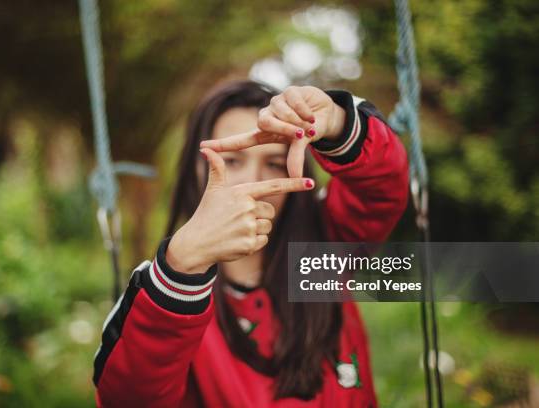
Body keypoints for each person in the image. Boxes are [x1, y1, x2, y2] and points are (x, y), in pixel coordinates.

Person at [92, 80, 409, 407]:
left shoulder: (329, 243)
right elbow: (128, 399)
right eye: (231, 160)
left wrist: (338, 122)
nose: (253, 182)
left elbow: (383, 188)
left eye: (273, 163)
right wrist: (181, 267)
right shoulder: (162, 295)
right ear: (194, 171)